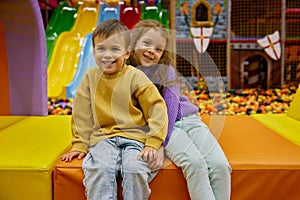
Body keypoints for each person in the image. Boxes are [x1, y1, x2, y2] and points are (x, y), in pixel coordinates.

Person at [61, 19, 168, 200]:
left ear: (127, 53)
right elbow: (81, 114)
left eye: (114, 50)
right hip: (102, 138)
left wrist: (153, 142)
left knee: (135, 169)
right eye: (101, 49)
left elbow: (156, 107)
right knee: (100, 169)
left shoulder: (135, 76)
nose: (107, 55)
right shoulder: (89, 78)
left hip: (135, 137)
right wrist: (79, 143)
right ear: (93, 51)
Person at [129, 19, 232, 200]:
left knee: (220, 165)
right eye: (146, 43)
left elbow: (170, 108)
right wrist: (158, 143)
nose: (152, 51)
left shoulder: (166, 71)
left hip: (187, 121)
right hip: (167, 128)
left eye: (159, 49)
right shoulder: (126, 73)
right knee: (195, 163)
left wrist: (160, 143)